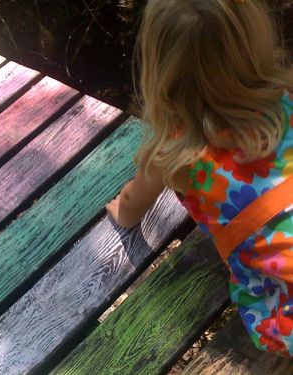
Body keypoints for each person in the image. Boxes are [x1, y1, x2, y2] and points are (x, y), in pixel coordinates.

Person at [106, 0, 293, 356]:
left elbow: (132, 204)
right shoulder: (283, 102)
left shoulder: (174, 153)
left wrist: (120, 212)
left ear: (158, 68)